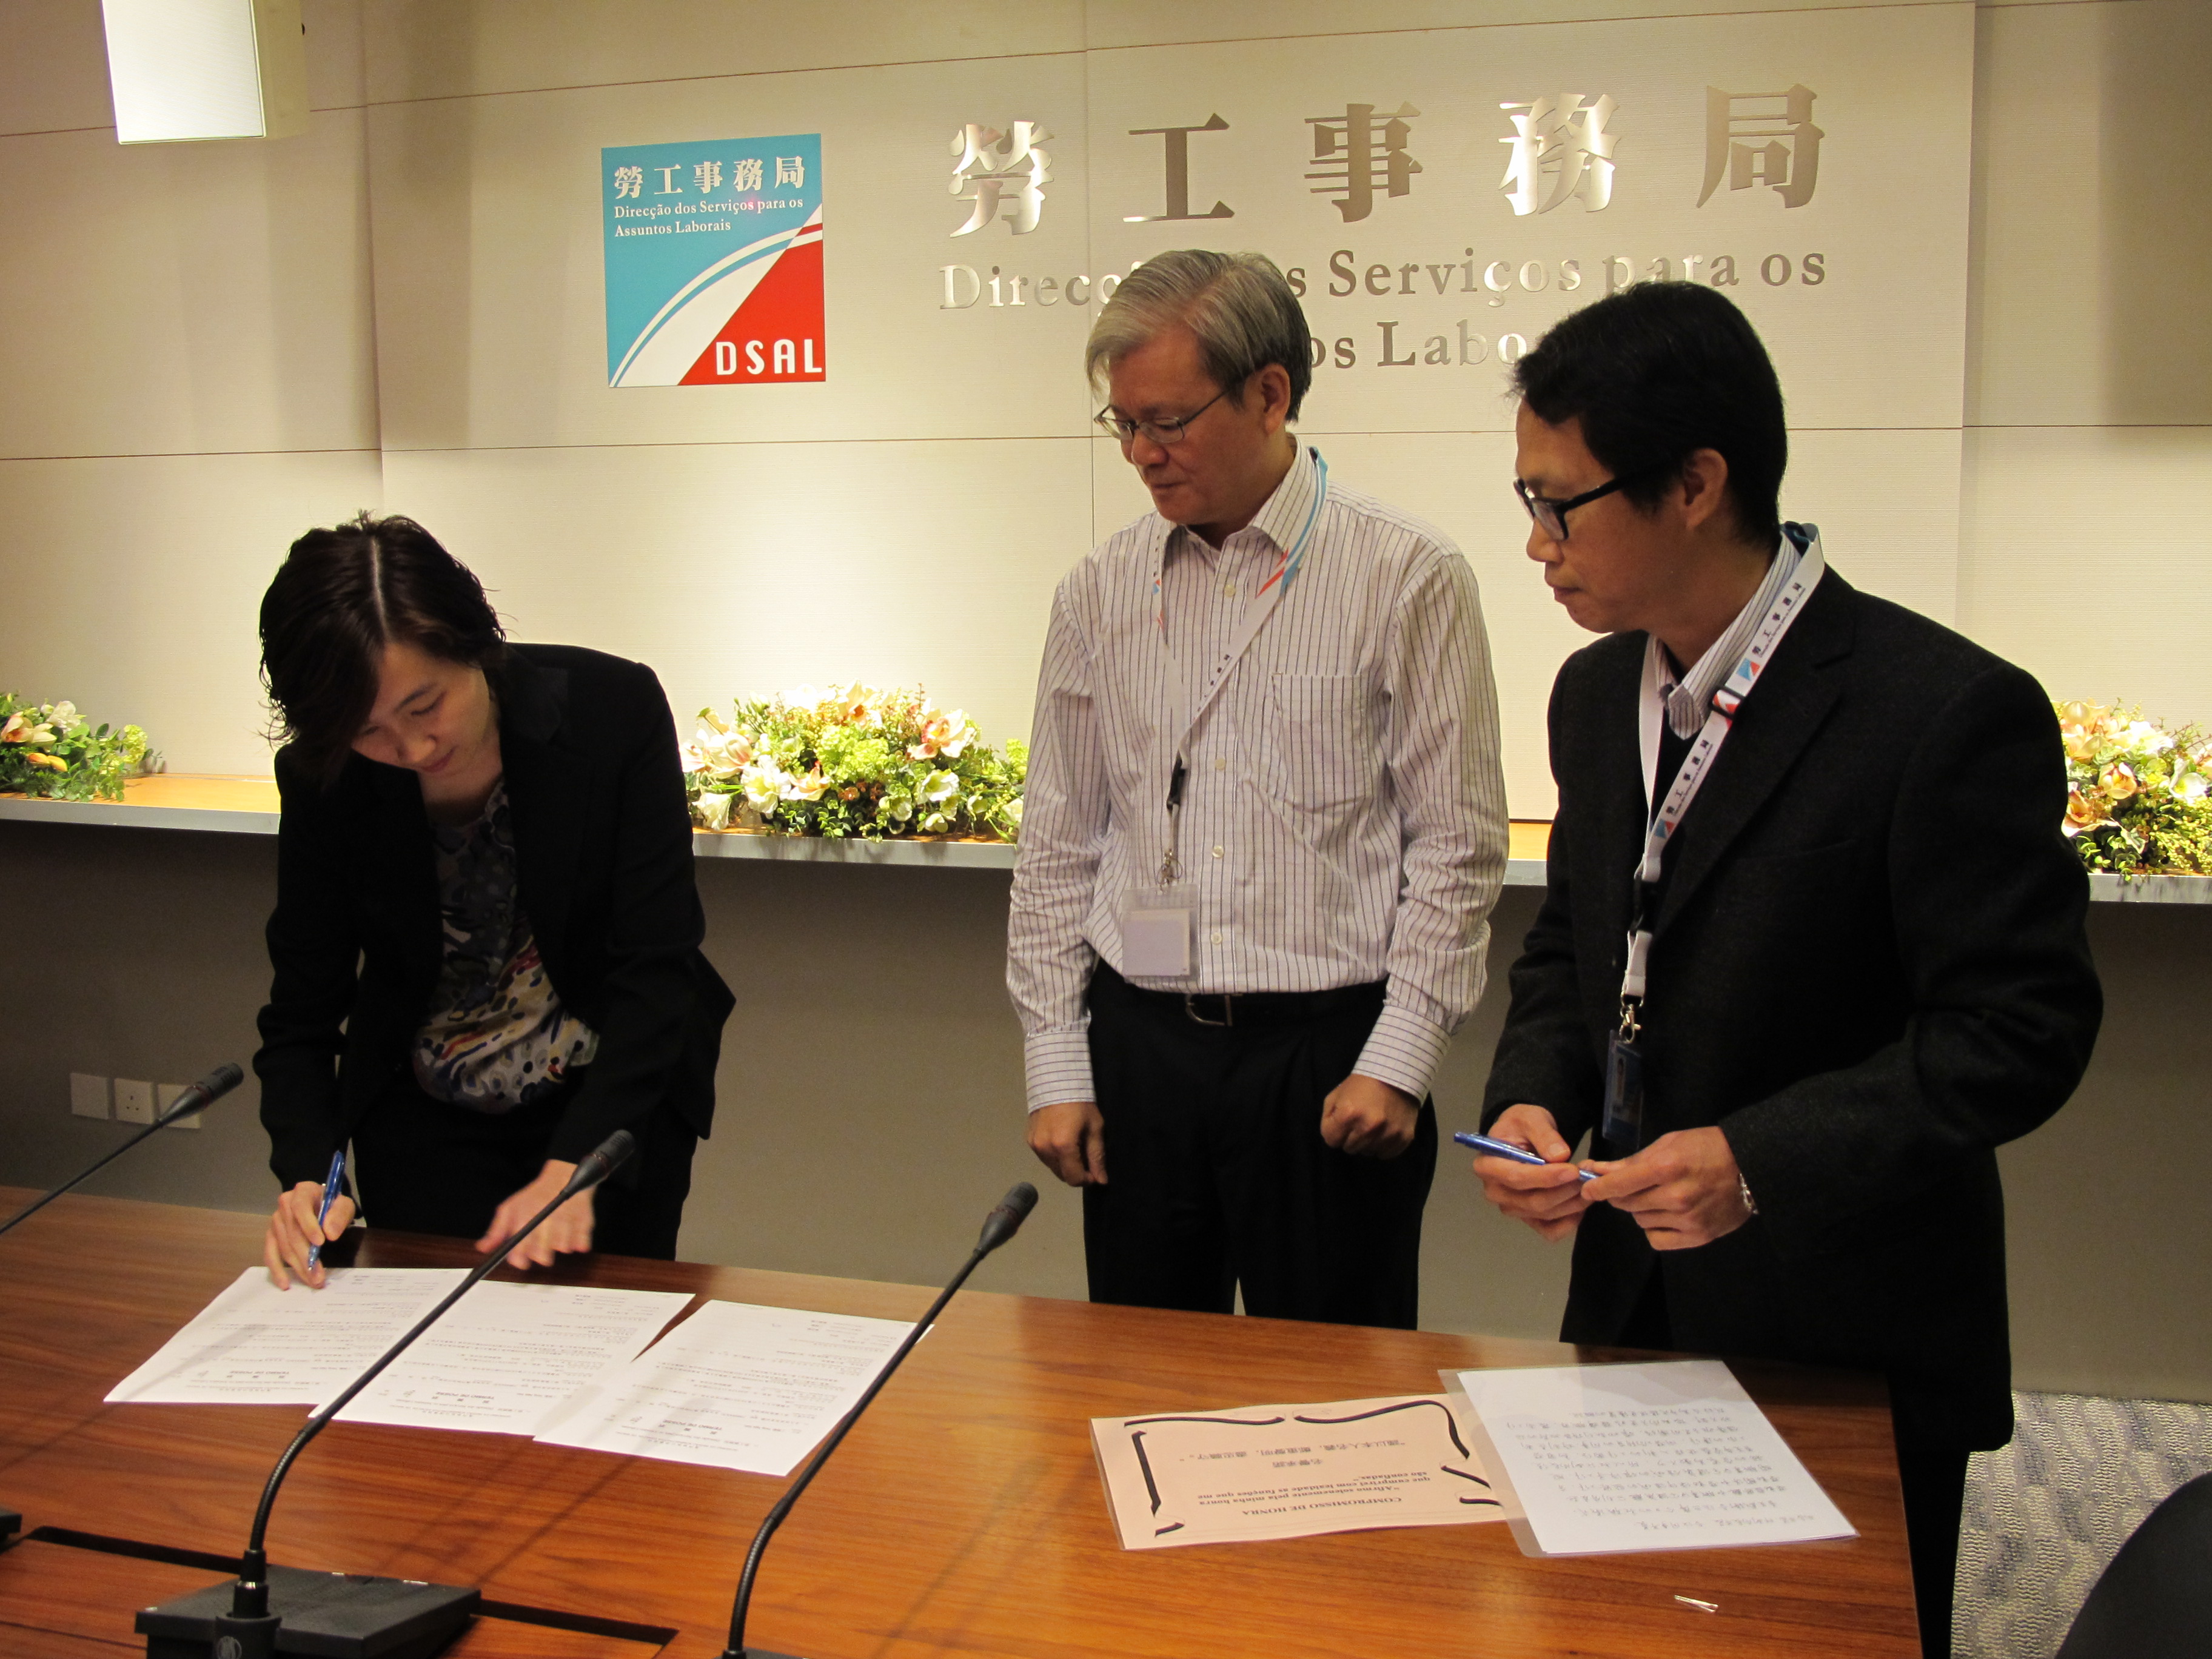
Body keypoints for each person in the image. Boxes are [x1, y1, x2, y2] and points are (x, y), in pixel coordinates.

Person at [1471, 283, 2102, 1656]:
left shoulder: (1939, 709)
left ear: (1695, 484)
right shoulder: (1596, 693)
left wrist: (1755, 1160)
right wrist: (1532, 1093)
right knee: (1623, 1630)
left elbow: (2020, 1026)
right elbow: (1577, 940)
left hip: (1845, 1322)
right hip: (1635, 1293)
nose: (1534, 543)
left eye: (1559, 504)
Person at [1008, 249, 1508, 1330]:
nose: (1141, 454)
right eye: (1122, 424)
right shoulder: (1099, 589)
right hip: (1142, 1047)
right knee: (1143, 1373)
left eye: (1168, 421)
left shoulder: (1404, 573)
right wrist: (1057, 1060)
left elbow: (1457, 845)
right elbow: (1059, 842)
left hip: (1328, 1056)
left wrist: (1400, 1059)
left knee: (1337, 1391)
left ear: (1270, 393)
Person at [253, 514, 733, 1289]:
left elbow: (657, 964)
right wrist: (309, 1171)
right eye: (369, 731)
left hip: (605, 1093)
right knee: (430, 1326)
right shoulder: (325, 775)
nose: (411, 749)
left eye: (424, 706)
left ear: (474, 642)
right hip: (423, 1107)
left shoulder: (612, 711)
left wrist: (576, 1161)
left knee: (605, 1322)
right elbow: (302, 1008)